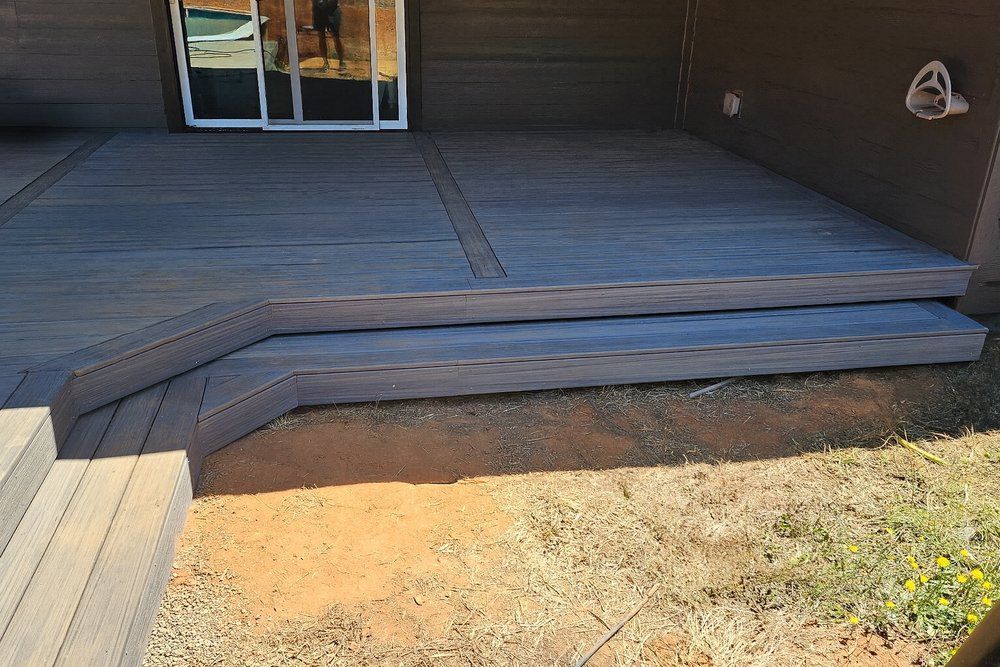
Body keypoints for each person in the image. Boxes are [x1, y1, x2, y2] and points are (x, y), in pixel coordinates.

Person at [311, 0, 345, 72]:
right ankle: (325, 63)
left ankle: (341, 62)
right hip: (318, 12)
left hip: (332, 11)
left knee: (336, 37)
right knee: (321, 37)